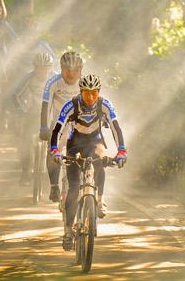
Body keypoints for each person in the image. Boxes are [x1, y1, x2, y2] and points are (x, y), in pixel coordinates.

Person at [48, 74, 127, 250]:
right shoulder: (72, 105)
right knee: (74, 188)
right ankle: (68, 231)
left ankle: (100, 200)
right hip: (75, 144)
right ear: (81, 91)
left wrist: (121, 150)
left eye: (94, 93)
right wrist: (54, 150)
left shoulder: (104, 104)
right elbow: (58, 128)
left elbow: (116, 127)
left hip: (95, 141)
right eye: (86, 93)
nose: (90, 97)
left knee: (100, 158)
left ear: (98, 92)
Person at [39, 51, 83, 203]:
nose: (70, 74)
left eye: (75, 71)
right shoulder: (52, 83)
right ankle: (54, 186)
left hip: (79, 123)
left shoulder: (85, 83)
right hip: (58, 122)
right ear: (61, 69)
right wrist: (44, 127)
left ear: (81, 71)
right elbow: (46, 106)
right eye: (67, 70)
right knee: (53, 150)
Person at [12, 52, 55, 185]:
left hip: (52, 114)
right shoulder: (29, 78)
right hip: (34, 112)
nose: (42, 71)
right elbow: (15, 95)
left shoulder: (56, 78)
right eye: (39, 67)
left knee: (55, 143)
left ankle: (53, 175)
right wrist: (21, 110)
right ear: (34, 67)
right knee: (25, 141)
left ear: (50, 68)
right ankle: (25, 173)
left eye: (45, 67)